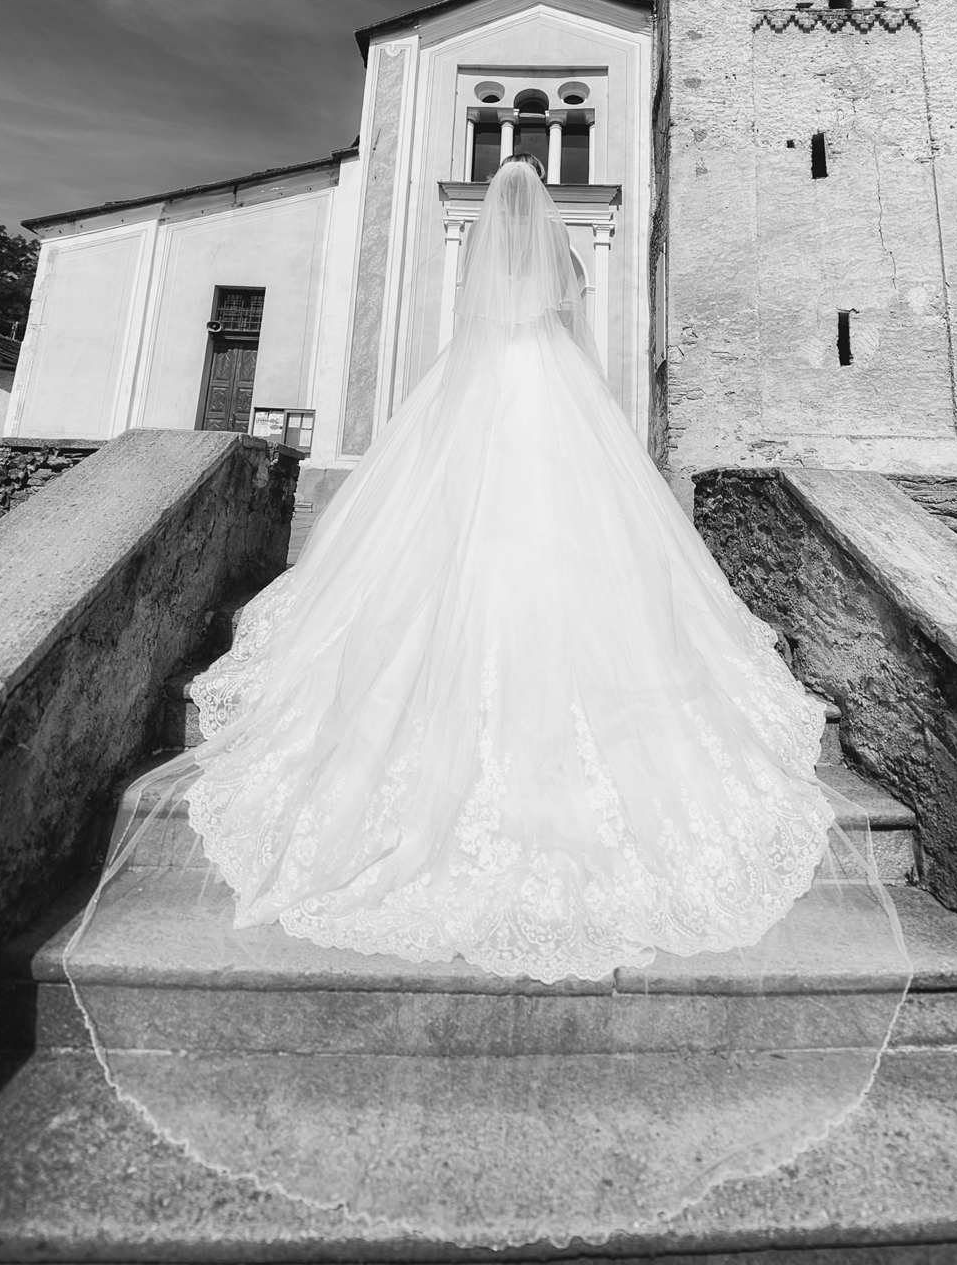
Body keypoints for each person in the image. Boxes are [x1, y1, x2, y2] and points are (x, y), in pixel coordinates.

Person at [67, 153, 906, 1223]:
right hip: (558, 413)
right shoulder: (563, 279)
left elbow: (464, 356)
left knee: (451, 550)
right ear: (548, 225)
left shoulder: (469, 326)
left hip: (489, 410)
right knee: (580, 550)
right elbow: (579, 333)